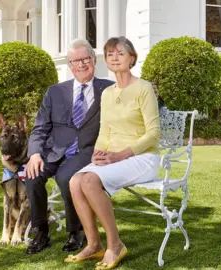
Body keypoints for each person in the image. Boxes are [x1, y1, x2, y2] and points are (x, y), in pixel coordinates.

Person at [64, 36, 161, 269]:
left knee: (88, 181)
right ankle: (94, 244)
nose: (115, 57)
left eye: (120, 53)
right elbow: (105, 131)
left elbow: (154, 134)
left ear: (132, 58)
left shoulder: (144, 88)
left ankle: (115, 245)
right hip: (113, 158)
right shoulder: (107, 93)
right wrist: (97, 153)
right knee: (75, 181)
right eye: (110, 54)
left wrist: (121, 155)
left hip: (143, 157)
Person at [24, 39, 114, 255]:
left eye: (85, 59)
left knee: (66, 177)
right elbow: (40, 127)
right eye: (75, 61)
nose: (81, 65)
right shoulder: (55, 91)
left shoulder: (110, 89)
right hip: (54, 150)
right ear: (69, 64)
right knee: (32, 175)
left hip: (86, 151)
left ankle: (76, 231)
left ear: (94, 60)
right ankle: (41, 230)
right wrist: (35, 153)